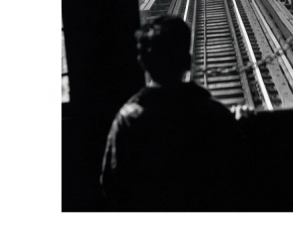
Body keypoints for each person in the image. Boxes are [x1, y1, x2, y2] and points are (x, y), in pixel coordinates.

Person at [101, 15, 250, 211]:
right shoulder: (215, 114)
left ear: (143, 62)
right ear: (188, 62)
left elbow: (112, 185)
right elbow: (239, 175)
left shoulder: (128, 120)